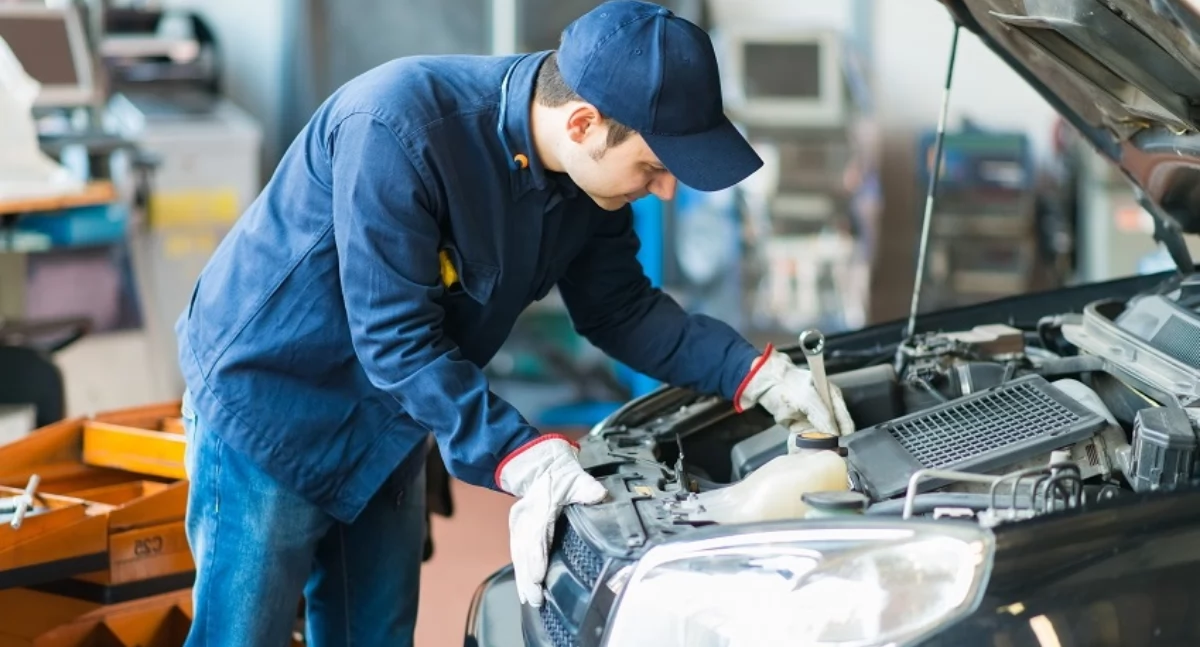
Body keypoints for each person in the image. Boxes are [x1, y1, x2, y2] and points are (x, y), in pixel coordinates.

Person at [174, 1, 855, 644]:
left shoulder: (588, 181)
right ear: (584, 123)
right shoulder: (397, 128)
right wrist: (520, 454)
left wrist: (753, 373)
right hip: (270, 407)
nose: (666, 188)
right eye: (653, 166)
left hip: (391, 421)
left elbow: (620, 308)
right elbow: (393, 336)